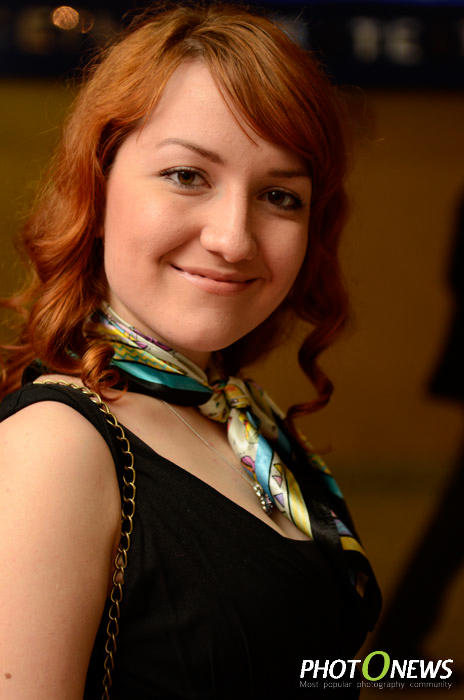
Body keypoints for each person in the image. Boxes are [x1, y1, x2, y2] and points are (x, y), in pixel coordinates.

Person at [0, 3, 381, 698]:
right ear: (97, 184)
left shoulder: (245, 421)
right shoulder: (56, 447)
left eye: (279, 195)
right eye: (186, 175)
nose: (233, 238)